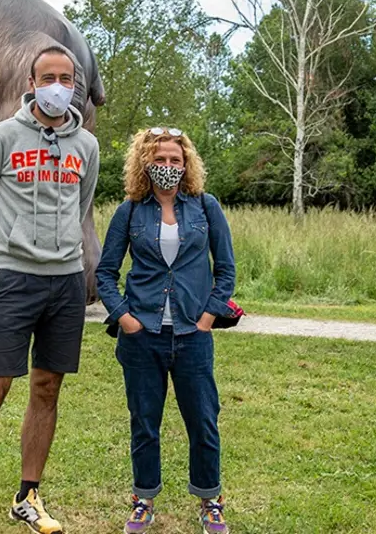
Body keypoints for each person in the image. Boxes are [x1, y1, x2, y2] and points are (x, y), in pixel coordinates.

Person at [0, 44, 100, 534]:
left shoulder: (86, 147)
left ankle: (28, 495)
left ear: (74, 84)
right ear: (30, 84)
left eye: (67, 77)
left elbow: (81, 205)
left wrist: (58, 246)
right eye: (48, 76)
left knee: (46, 389)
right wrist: (18, 241)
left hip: (66, 282)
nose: (58, 85)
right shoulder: (2, 137)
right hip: (14, 279)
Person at [95, 127, 236, 534]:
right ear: (145, 163)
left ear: (186, 164)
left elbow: (225, 270)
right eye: (160, 159)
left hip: (193, 335)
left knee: (203, 420)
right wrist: (125, 317)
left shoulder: (206, 208)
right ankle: (143, 499)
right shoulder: (130, 211)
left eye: (175, 160)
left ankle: (210, 499)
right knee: (144, 421)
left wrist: (209, 315)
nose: (168, 167)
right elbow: (106, 272)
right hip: (143, 335)